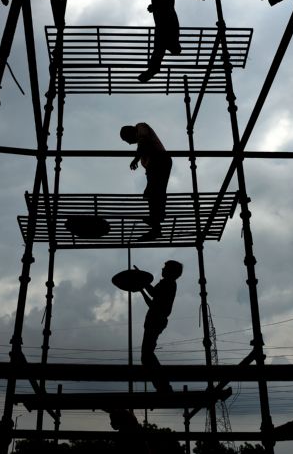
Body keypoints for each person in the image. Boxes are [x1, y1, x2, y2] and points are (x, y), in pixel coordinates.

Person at [120, 123, 172, 241]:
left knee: (153, 192)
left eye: (127, 139)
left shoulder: (140, 127)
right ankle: (156, 224)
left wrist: (136, 159)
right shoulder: (141, 142)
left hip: (158, 161)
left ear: (130, 132)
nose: (128, 143)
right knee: (154, 193)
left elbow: (143, 141)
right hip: (156, 164)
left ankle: (156, 224)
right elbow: (143, 145)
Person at [138, 260, 183, 393]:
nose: (162, 269)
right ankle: (162, 386)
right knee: (147, 355)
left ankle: (163, 386)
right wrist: (142, 287)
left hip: (155, 320)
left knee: (146, 355)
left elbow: (152, 294)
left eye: (165, 267)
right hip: (157, 320)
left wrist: (142, 280)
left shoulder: (166, 283)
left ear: (170, 271)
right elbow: (152, 302)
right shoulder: (170, 284)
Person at [137, 0, 181, 83]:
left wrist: (154, 4)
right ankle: (154, 68)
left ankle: (154, 68)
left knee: (160, 47)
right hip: (165, 21)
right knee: (160, 47)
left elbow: (166, 4)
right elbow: (166, 4)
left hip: (165, 21)